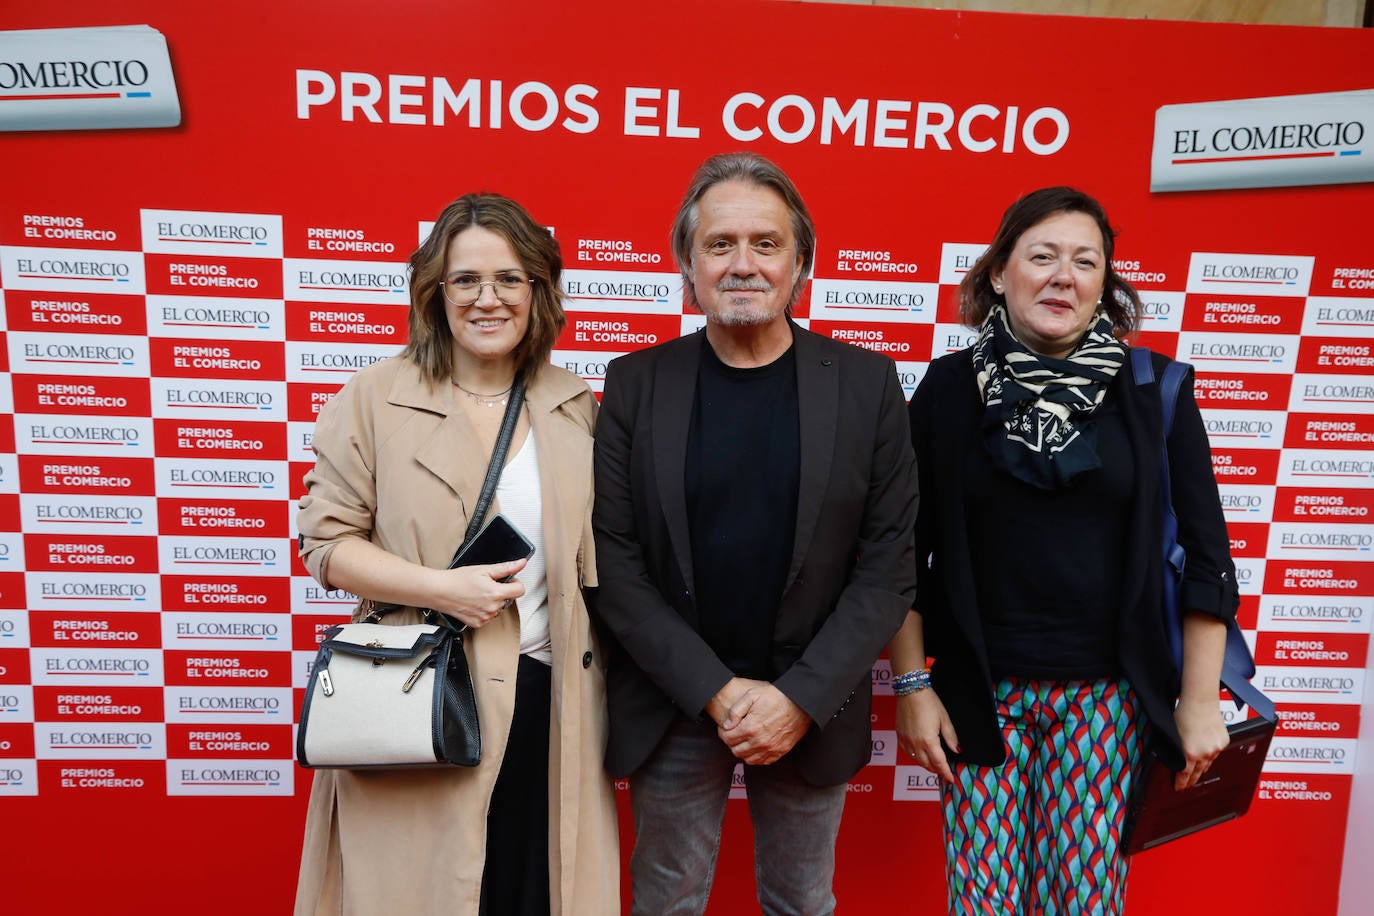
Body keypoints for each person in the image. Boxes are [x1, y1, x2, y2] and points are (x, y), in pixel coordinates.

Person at [888, 186, 1236, 914]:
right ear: (997, 274)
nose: (1063, 276)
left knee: (1082, 900)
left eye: (1086, 262)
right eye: (1041, 256)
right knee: (983, 902)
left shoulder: (1156, 391)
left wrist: (1201, 703)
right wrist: (913, 688)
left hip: (1105, 697)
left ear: (1105, 283)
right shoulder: (950, 390)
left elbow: (1207, 557)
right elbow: (898, 552)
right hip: (980, 694)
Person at [591, 151, 919, 915]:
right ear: (688, 264)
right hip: (676, 700)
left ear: (801, 261)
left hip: (812, 700)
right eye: (720, 244)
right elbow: (614, 559)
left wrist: (797, 700)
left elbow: (888, 567)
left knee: (803, 903)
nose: (743, 264)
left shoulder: (868, 385)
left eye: (766, 244)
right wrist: (715, 691)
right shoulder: (636, 383)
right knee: (665, 902)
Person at [294, 193, 618, 915]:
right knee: (420, 895)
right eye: (465, 280)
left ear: (538, 289)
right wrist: (440, 588)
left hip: (550, 701)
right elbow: (325, 543)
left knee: (528, 890)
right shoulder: (374, 397)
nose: (487, 299)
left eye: (509, 279)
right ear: (434, 293)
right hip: (421, 692)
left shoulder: (574, 405)